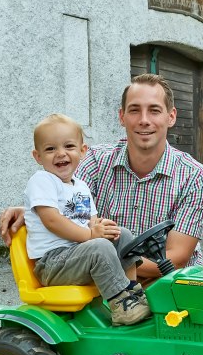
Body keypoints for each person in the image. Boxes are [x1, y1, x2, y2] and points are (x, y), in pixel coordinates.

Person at [0, 74, 203, 285]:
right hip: (105, 283)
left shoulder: (195, 176)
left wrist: (110, 263)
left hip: (169, 283)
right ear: (122, 116)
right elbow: (68, 202)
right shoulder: (95, 160)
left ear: (171, 117)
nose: (144, 120)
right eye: (134, 110)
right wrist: (33, 208)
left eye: (154, 110)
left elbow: (175, 258)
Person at [24, 114, 149, 325]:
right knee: (99, 246)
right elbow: (51, 221)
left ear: (83, 151)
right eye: (50, 149)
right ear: (38, 156)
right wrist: (91, 235)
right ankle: (120, 304)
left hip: (77, 255)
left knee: (121, 234)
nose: (60, 154)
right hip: (53, 263)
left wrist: (99, 227)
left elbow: (91, 220)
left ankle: (132, 293)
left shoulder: (80, 186)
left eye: (69, 146)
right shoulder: (42, 180)